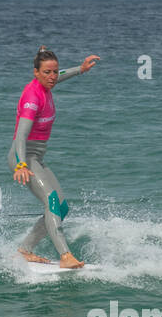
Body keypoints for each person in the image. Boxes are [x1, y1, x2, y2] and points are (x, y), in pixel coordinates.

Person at [8, 45, 100, 268]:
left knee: (61, 207)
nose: (52, 77)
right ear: (35, 73)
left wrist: (81, 69)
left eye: (54, 72)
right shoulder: (33, 97)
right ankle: (65, 256)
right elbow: (20, 136)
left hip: (37, 158)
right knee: (51, 201)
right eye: (46, 72)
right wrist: (20, 165)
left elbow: (60, 77)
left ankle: (25, 249)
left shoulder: (48, 84)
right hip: (24, 157)